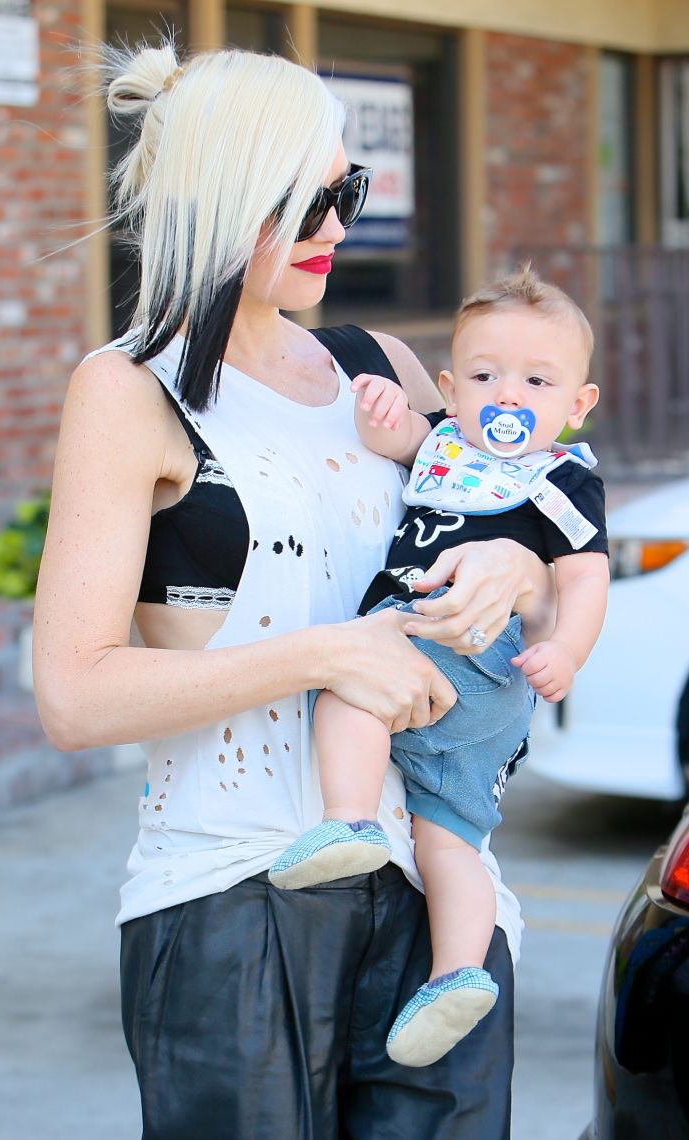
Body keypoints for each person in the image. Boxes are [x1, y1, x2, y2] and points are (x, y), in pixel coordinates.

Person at [33, 40, 558, 1140]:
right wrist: (328, 655)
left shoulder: (384, 370)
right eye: (306, 201)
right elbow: (73, 697)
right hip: (233, 897)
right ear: (221, 197)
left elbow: (546, 582)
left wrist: (522, 570)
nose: (338, 227)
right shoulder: (130, 390)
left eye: (347, 191)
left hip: (434, 884)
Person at [269, 268, 610, 1068]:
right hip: (480, 709)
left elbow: (585, 575)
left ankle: (348, 817)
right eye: (485, 377)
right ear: (451, 389)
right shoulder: (447, 443)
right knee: (447, 838)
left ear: (578, 404)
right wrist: (384, 413)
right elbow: (396, 445)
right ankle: (457, 973)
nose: (508, 395)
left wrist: (567, 650)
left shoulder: (562, 477)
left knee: (347, 689)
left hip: (465, 645)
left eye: (537, 379)